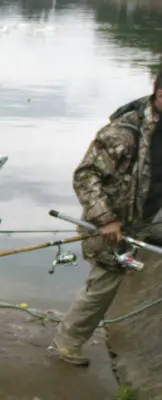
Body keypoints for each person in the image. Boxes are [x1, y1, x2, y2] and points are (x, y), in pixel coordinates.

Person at [49, 69, 162, 366]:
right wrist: (106, 220)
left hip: (150, 214)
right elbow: (85, 176)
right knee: (105, 281)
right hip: (113, 219)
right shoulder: (123, 133)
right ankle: (68, 341)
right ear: (158, 93)